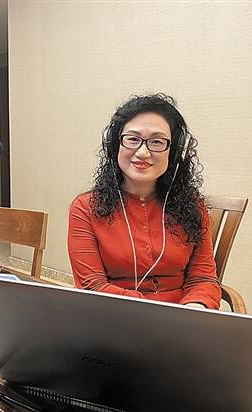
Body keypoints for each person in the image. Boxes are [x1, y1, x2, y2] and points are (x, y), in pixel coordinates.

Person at [67, 93, 221, 309]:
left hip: (183, 317)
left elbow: (202, 278)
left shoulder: (194, 206)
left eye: (157, 142)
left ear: (174, 151)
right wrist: (159, 312)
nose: (142, 152)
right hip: (115, 315)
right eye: (132, 139)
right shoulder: (85, 208)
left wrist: (195, 308)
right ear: (114, 145)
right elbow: (93, 287)